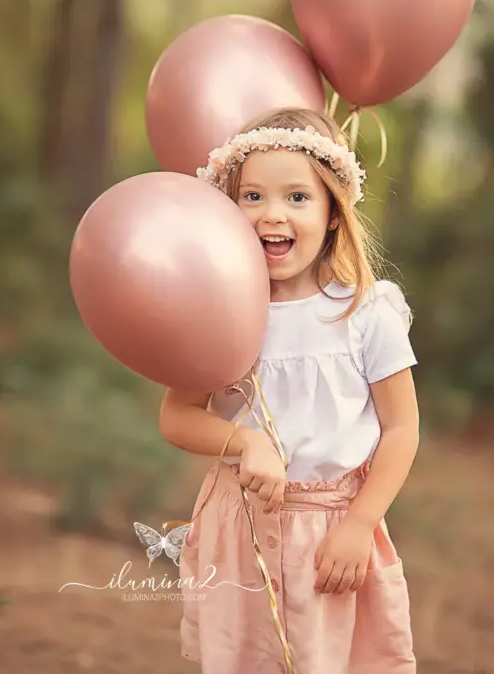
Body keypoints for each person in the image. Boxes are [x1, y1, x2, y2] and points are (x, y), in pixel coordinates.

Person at [159, 106, 420, 673]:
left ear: (332, 213)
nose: (271, 214)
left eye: (297, 198)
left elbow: (401, 429)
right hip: (240, 527)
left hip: (333, 533)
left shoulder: (364, 312)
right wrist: (246, 442)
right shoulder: (222, 312)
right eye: (252, 196)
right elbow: (177, 416)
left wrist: (359, 525)